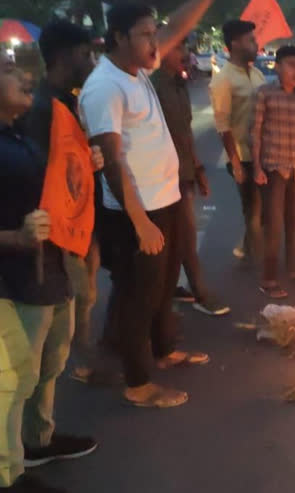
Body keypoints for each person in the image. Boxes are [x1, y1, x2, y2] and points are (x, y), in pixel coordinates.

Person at [79, 1, 213, 408]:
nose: (156, 41)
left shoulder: (137, 70)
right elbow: (112, 162)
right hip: (136, 213)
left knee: (163, 287)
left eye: (155, 34)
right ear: (118, 38)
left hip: (165, 200)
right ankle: (137, 384)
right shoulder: (105, 87)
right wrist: (140, 222)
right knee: (139, 297)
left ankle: (164, 350)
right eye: (145, 34)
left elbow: (175, 24)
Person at [1, 55, 99, 493]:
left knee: (50, 362)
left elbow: (54, 187)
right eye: (6, 69)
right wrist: (16, 238)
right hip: (15, 280)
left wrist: (84, 165)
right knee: (13, 379)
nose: (22, 75)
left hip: (52, 268)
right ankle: (7, 476)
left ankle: (38, 440)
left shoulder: (21, 134)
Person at [20, 21, 116, 390]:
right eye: (84, 54)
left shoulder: (69, 98)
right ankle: (78, 362)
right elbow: (42, 171)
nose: (91, 60)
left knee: (85, 294)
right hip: (60, 226)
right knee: (76, 297)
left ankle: (81, 356)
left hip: (81, 219)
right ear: (62, 56)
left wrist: (87, 159)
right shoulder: (42, 107)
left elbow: (68, 160)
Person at [152, 40, 230, 317]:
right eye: (180, 49)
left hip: (182, 174)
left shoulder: (179, 85)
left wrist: (197, 171)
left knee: (178, 238)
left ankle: (171, 288)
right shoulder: (151, 88)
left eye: (188, 48)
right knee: (184, 236)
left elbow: (184, 133)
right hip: (160, 178)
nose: (187, 55)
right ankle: (200, 293)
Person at [251, 46, 295, 298]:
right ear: (277, 66)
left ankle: (294, 270)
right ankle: (269, 277)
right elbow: (255, 133)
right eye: (291, 65)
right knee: (274, 226)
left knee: (294, 223)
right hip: (272, 169)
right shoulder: (265, 94)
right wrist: (257, 167)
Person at [209, 20, 265, 263]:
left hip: (264, 154)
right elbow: (223, 126)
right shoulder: (223, 80)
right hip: (242, 156)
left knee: (262, 208)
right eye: (250, 40)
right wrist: (236, 164)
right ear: (235, 43)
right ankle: (257, 257)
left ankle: (249, 246)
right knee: (253, 209)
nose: (256, 44)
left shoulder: (258, 74)